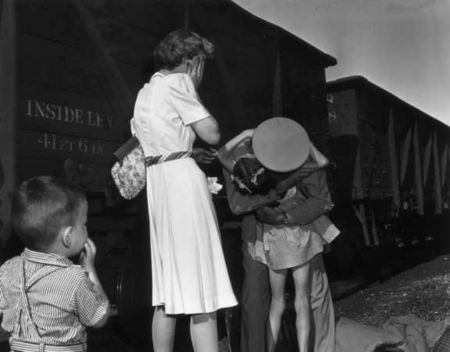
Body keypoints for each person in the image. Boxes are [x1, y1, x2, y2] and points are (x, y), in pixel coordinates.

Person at [131, 29, 237, 352]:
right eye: (201, 63)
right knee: (201, 295)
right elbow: (213, 133)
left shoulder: (145, 91)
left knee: (166, 297)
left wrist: (187, 150)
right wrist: (194, 91)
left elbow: (158, 142)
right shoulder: (180, 83)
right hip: (182, 188)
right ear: (191, 62)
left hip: (159, 186)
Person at [217, 118, 339, 352]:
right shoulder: (296, 158)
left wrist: (244, 131)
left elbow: (222, 156)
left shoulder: (248, 167)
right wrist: (307, 142)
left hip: (273, 237)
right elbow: (323, 167)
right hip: (295, 236)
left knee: (279, 301)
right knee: (304, 298)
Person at [0, 176, 110, 352]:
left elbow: (3, 325)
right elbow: (99, 318)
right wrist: (90, 268)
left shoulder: (7, 269)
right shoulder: (73, 278)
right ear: (68, 237)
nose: (87, 228)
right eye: (84, 223)